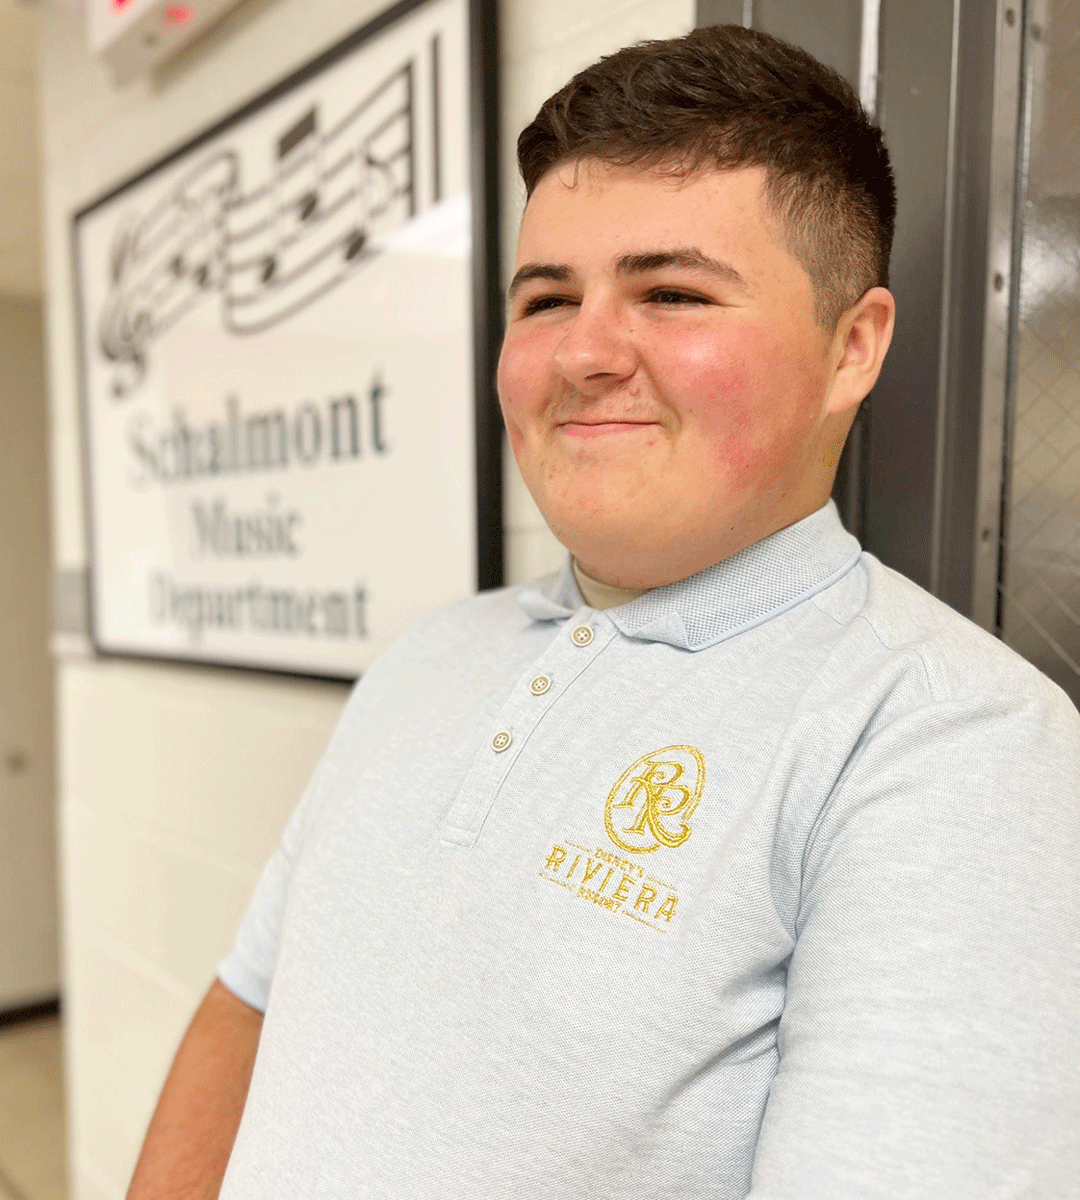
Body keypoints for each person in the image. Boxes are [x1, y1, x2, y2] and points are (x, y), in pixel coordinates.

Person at [126, 23, 1080, 1200]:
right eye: (545, 298)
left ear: (852, 348)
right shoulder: (432, 654)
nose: (583, 351)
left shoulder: (952, 747)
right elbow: (249, 1000)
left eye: (671, 292)